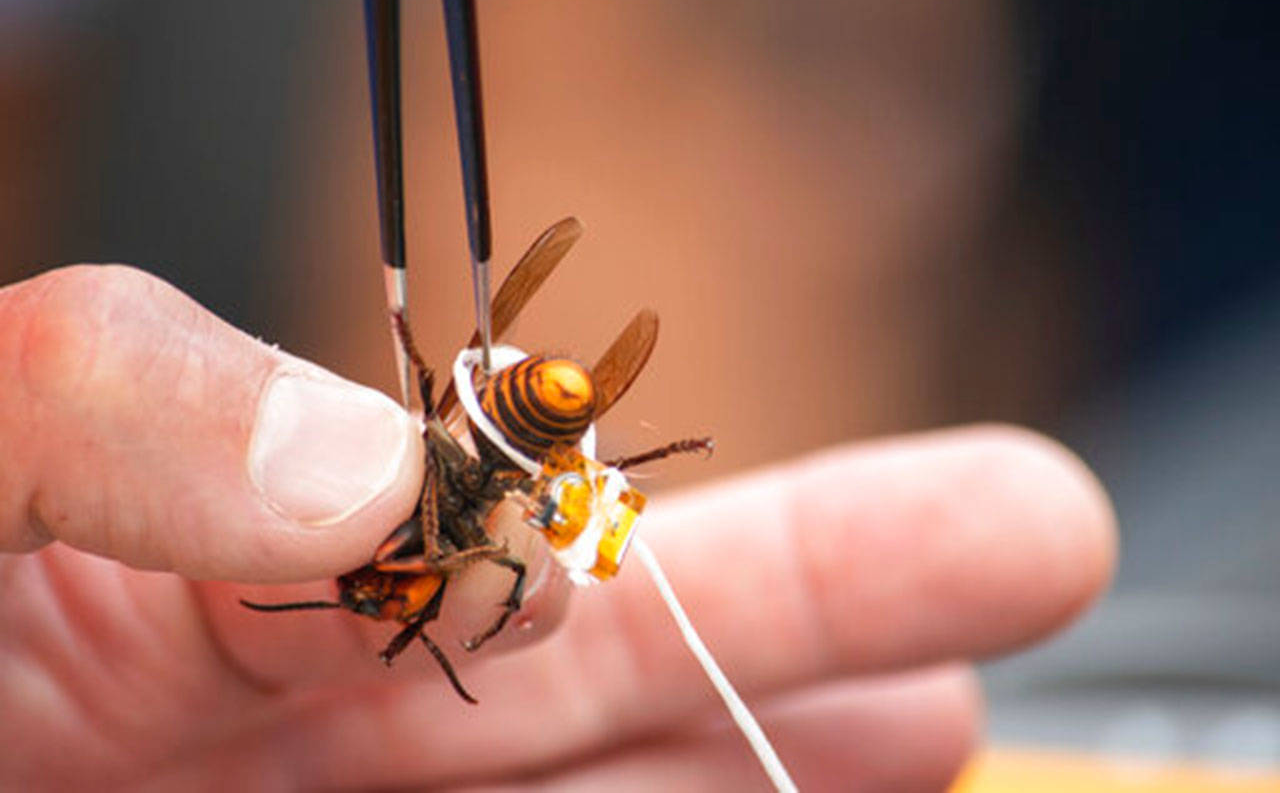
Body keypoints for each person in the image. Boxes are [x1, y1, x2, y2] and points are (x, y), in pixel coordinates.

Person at [0, 265, 1115, 790]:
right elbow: (480, 546)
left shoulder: (411, 521)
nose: (391, 605)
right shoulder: (443, 548)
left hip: (520, 422)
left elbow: (473, 538)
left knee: (491, 520)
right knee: (501, 528)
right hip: (528, 422)